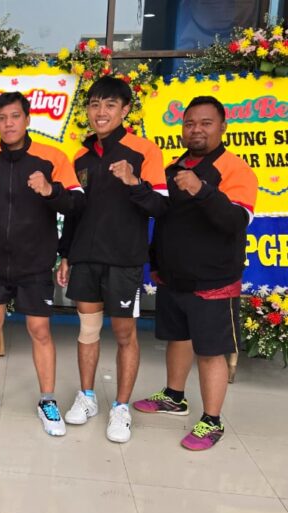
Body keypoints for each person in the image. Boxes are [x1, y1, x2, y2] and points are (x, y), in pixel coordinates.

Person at [133, 95, 257, 451]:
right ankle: (174, 397)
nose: (196, 129)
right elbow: (164, 219)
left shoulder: (234, 169)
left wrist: (203, 190)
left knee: (211, 351)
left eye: (205, 123)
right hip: (174, 277)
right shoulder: (174, 168)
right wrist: (156, 263)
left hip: (214, 281)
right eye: (189, 123)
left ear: (222, 127)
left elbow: (235, 222)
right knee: (178, 339)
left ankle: (212, 421)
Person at [0, 91, 85, 436]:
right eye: (1, 118)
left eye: (15, 116)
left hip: (35, 263)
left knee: (40, 330)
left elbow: (76, 204)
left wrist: (50, 190)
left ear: (27, 119)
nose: (8, 124)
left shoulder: (52, 158)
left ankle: (47, 400)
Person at [56, 76, 169, 443]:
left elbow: (160, 206)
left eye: (109, 105)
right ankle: (87, 397)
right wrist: (65, 255)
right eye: (94, 104)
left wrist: (134, 182)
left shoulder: (144, 150)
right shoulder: (80, 156)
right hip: (85, 258)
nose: (100, 112)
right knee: (87, 330)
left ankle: (120, 407)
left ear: (125, 110)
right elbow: (74, 212)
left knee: (124, 334)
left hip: (123, 259)